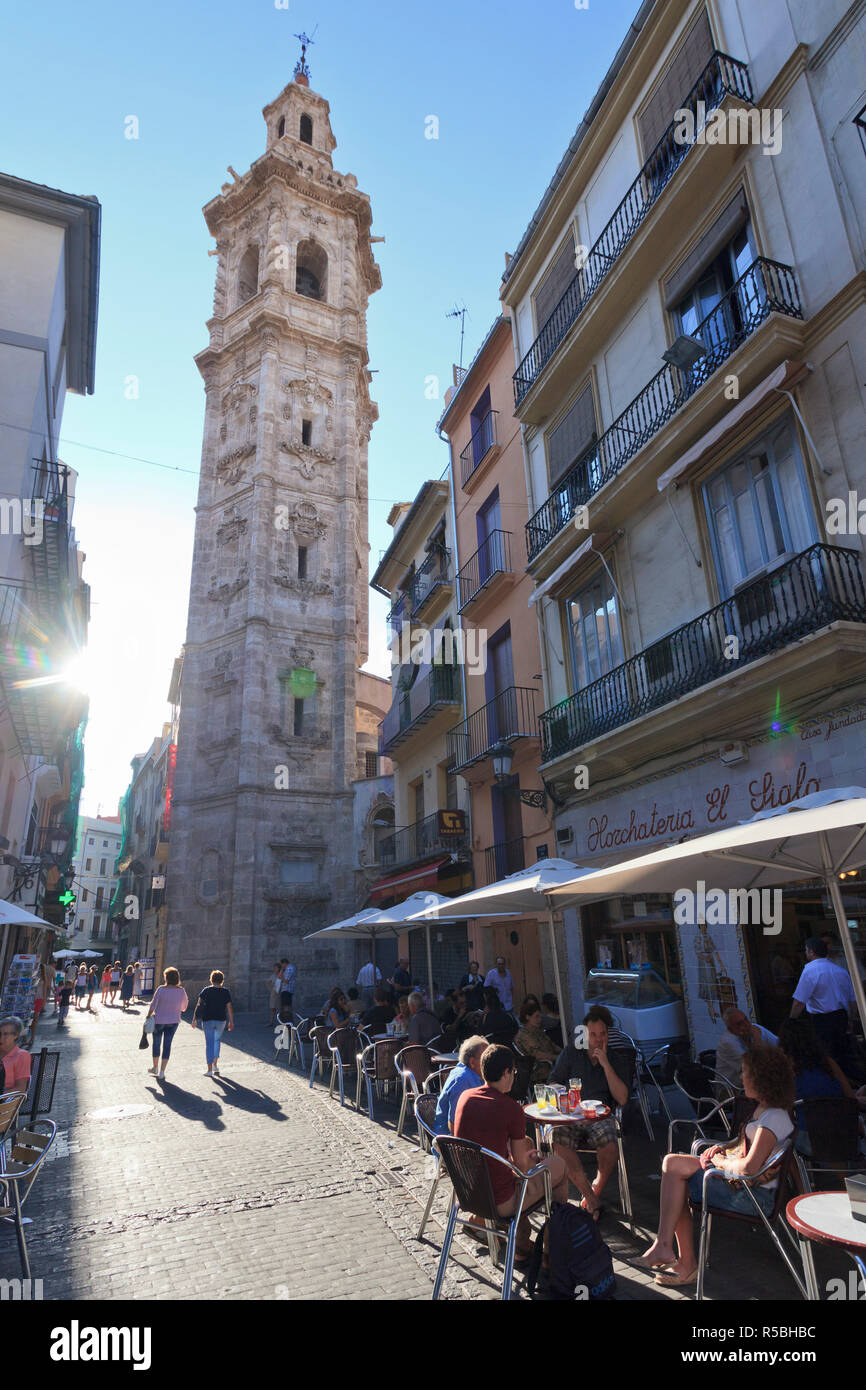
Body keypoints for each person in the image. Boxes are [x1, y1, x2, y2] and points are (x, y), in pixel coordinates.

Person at [639, 1044, 796, 1286]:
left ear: (761, 1078)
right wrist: (724, 1148)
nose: (740, 1076)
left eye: (745, 1072)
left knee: (675, 1180)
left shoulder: (774, 1117)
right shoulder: (766, 1109)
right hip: (742, 1186)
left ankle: (682, 1260)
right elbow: (747, 1149)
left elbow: (749, 1168)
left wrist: (720, 1161)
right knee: (672, 1164)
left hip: (753, 1197)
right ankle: (667, 1248)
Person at [454, 1045, 569, 1265]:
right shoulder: (511, 1108)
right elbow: (522, 1170)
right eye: (513, 1072)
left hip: (468, 1193)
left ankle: (522, 1244)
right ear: (507, 1073)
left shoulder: (465, 1097)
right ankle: (551, 1251)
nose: (514, 1077)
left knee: (527, 1144)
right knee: (559, 1167)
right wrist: (531, 1161)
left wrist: (521, 1157)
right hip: (499, 1201)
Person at [548, 1005, 629, 1211]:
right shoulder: (571, 1054)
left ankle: (596, 1189)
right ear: (585, 1035)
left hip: (600, 1116)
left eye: (603, 1034)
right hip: (572, 1114)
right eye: (593, 1035)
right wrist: (564, 1097)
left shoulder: (615, 1059)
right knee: (557, 1139)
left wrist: (606, 1065)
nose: (599, 1039)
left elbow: (622, 1098)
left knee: (610, 1146)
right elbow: (553, 1083)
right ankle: (589, 1197)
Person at [777, 1016, 858, 1155]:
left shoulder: (788, 1071)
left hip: (813, 1141)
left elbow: (787, 1117)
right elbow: (851, 1099)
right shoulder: (828, 1063)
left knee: (782, 1141)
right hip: (845, 1134)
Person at [791, 937, 856, 1069]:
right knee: (842, 1055)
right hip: (841, 1017)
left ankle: (834, 1079)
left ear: (811, 952)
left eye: (806, 950)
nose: (805, 953)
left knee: (826, 1056)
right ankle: (846, 1079)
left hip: (822, 1021)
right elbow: (852, 1000)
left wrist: (791, 1019)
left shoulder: (810, 971)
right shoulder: (841, 971)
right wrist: (851, 1018)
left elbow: (799, 1001)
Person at [433, 1035, 487, 1134]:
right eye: (485, 1058)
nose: (488, 1062)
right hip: (451, 1139)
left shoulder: (473, 1073)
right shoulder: (462, 1080)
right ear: (472, 1062)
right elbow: (454, 1126)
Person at [715, 1008, 779, 1089]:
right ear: (730, 1029)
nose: (746, 1025)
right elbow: (755, 1067)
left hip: (750, 1084)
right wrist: (757, 1039)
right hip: (732, 1089)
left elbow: (780, 1044)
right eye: (739, 1024)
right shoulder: (728, 1042)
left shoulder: (754, 1028)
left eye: (745, 1019)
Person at [145, 967, 189, 1081]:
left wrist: (148, 1016)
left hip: (159, 1021)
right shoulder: (181, 991)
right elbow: (184, 1007)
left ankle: (155, 1067)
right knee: (167, 1045)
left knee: (156, 1044)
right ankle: (162, 1072)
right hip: (173, 1021)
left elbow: (153, 1004)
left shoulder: (161, 989)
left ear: (166, 978)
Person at [192, 970, 234, 1077]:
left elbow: (198, 1005)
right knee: (217, 1041)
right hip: (221, 1020)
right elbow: (229, 1007)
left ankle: (209, 1070)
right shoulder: (225, 991)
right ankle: (215, 1065)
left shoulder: (206, 990)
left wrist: (194, 1019)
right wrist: (231, 1022)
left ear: (211, 979)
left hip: (208, 1020)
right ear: (222, 980)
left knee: (209, 1044)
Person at [514, 999, 560, 1083]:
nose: (539, 1020)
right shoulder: (524, 1036)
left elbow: (552, 1045)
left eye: (540, 1017)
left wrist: (565, 1052)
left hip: (552, 1065)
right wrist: (558, 1057)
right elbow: (538, 1055)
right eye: (536, 1017)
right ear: (527, 1017)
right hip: (539, 1071)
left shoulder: (538, 1031)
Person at [0, 1016, 32, 1094]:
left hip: (6, 1099)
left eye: (5, 1034)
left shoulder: (21, 1056)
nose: (1, 1038)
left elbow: (20, 1088)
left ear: (16, 1035)